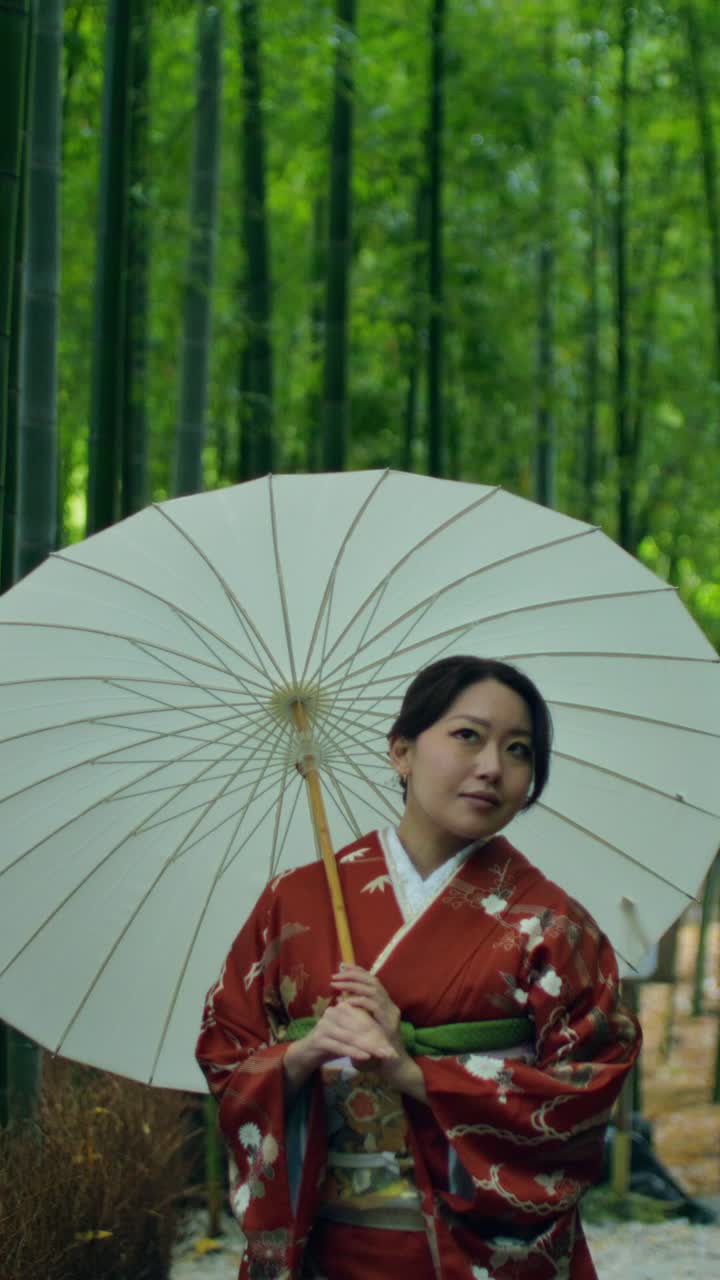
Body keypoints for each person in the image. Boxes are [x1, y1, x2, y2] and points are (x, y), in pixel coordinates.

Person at [196, 655, 641, 1279]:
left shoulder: (550, 923)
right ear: (401, 751)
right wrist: (301, 1055)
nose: (492, 767)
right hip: (327, 1249)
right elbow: (225, 1053)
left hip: (478, 1251)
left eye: (519, 750)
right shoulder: (292, 903)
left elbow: (587, 1090)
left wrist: (414, 1074)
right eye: (468, 736)